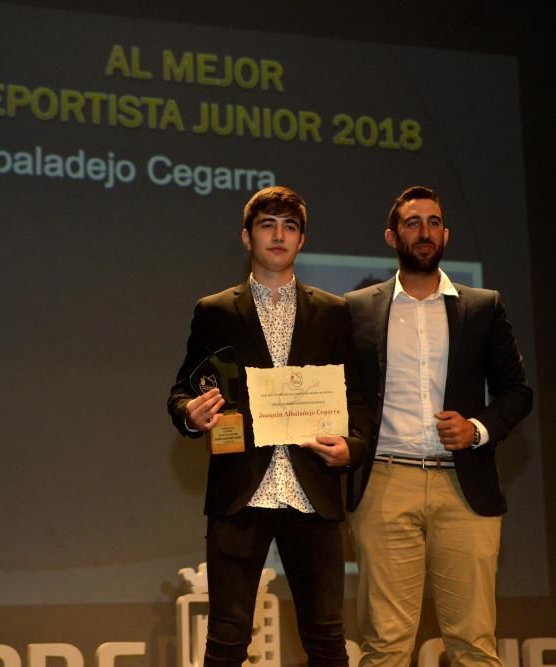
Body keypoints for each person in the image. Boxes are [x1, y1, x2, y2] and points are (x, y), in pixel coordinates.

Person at [168, 186, 369, 667]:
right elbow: (183, 390)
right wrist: (190, 415)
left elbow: (356, 397)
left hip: (313, 491)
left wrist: (353, 448)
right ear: (246, 237)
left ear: (301, 240)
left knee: (325, 641)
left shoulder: (333, 311)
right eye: (267, 225)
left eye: (290, 226)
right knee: (227, 642)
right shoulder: (215, 311)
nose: (279, 235)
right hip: (242, 492)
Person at [344, 185, 533, 666]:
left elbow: (517, 391)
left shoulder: (482, 306)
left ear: (445, 234)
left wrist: (478, 428)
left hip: (462, 484)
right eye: (412, 223)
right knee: (384, 646)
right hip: (386, 481)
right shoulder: (358, 308)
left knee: (473, 643)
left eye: (432, 222)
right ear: (392, 236)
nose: (424, 231)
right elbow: (341, 392)